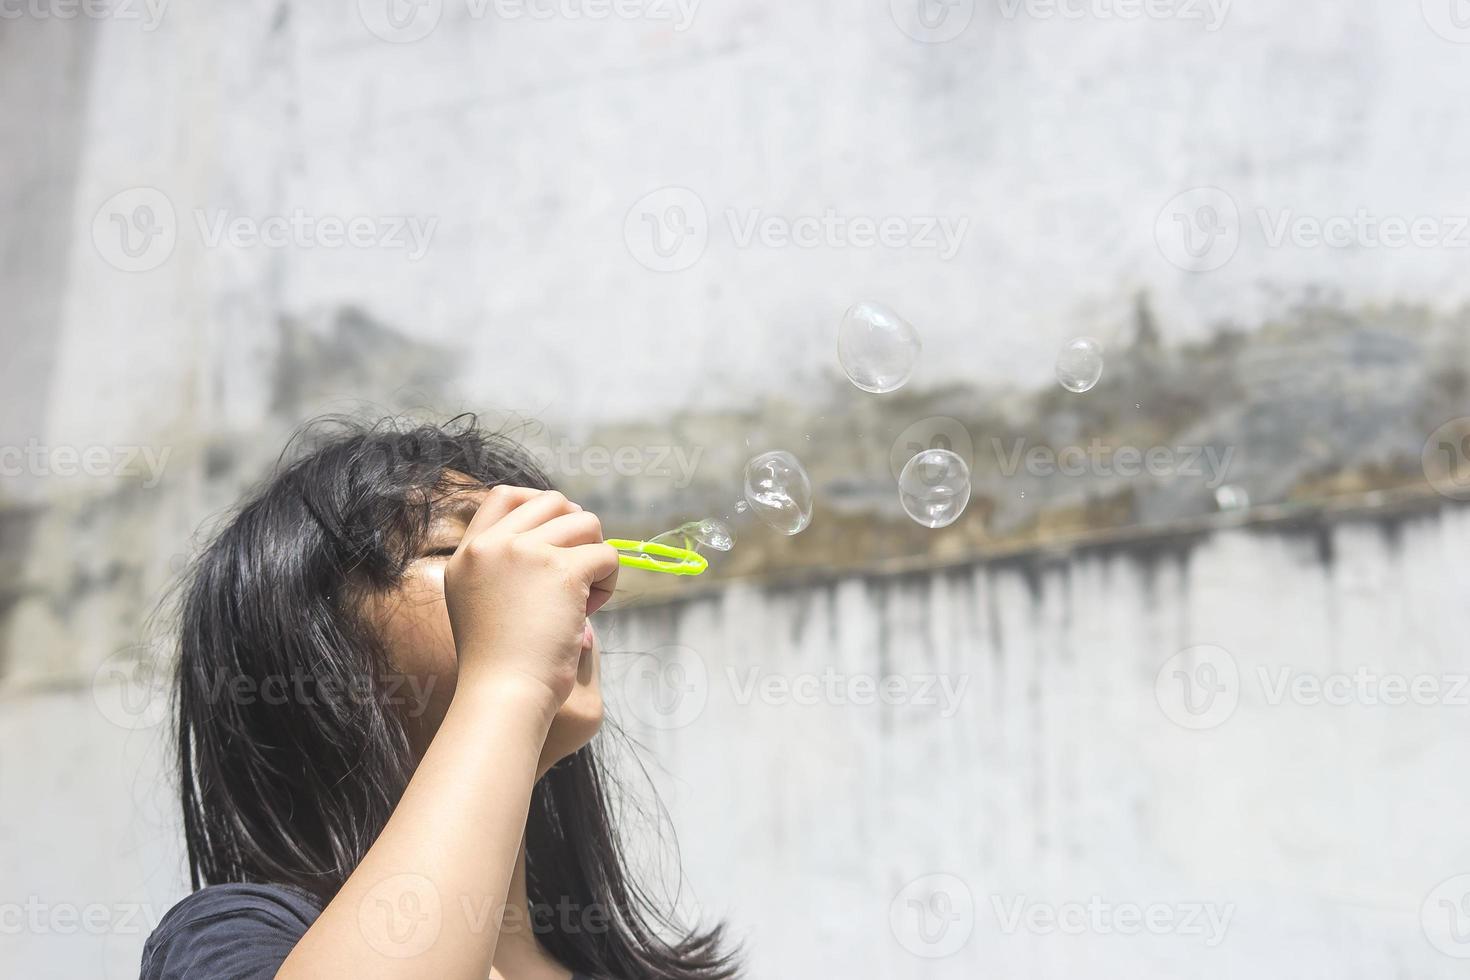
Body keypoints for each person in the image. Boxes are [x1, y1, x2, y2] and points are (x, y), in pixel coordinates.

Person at [140, 417, 737, 980]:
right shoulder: (247, 935)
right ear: (317, 658)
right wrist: (510, 681)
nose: (565, 580)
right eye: (461, 550)